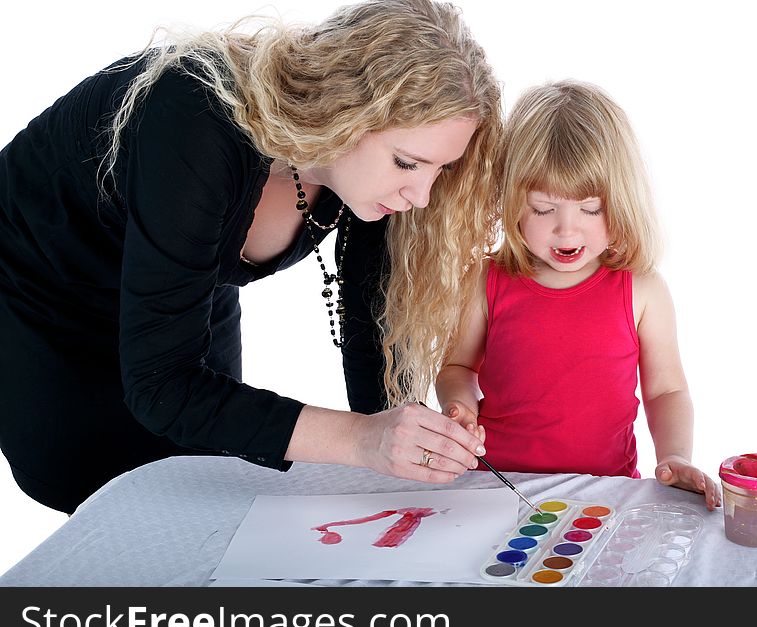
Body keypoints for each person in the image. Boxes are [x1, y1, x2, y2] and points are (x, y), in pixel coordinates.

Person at [0, 0, 499, 514]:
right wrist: (360, 441)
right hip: (42, 294)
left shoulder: (372, 181)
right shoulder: (195, 117)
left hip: (180, 294)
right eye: (407, 163)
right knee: (102, 492)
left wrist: (405, 443)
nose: (421, 194)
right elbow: (164, 387)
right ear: (344, 112)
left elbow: (369, 328)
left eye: (439, 169)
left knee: (206, 484)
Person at [435, 80, 720, 510]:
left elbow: (666, 391)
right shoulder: (485, 280)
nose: (566, 229)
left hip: (604, 495)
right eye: (543, 209)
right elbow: (456, 366)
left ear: (622, 202)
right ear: (511, 202)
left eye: (590, 209)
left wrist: (675, 457)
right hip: (496, 489)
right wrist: (460, 405)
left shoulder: (641, 288)